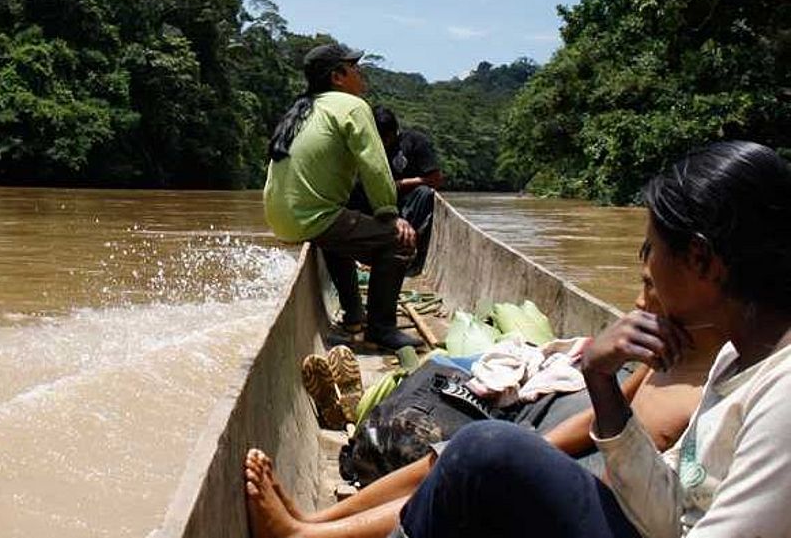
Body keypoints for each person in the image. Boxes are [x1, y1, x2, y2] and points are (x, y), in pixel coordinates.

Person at [250, 140, 791, 538]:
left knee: (487, 453)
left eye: (652, 252)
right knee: (479, 450)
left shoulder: (781, 395)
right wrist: (599, 379)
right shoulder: (731, 357)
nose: (643, 270)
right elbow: (666, 511)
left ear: (700, 259)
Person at [241, 262, 721, 538]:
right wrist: (541, 445)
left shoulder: (724, 381)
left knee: (475, 460)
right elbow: (606, 414)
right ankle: (317, 520)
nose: (638, 303)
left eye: (651, 287)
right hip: (595, 465)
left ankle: (308, 536)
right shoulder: (673, 354)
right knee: (461, 450)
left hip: (616, 506)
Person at [263, 43, 422, 351]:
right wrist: (391, 216)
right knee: (399, 241)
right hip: (312, 216)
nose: (360, 72)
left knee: (339, 229)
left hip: (281, 217)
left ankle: (354, 311)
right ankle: (381, 327)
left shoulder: (303, 107)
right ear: (338, 76)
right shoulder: (352, 106)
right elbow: (374, 167)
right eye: (354, 67)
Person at [372, 107, 442, 274]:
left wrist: (400, 184)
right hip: (381, 203)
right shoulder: (369, 145)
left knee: (425, 193)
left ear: (393, 132)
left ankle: (412, 253)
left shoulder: (415, 141)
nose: (382, 142)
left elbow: (436, 179)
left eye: (385, 138)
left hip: (411, 204)